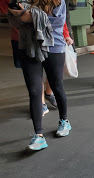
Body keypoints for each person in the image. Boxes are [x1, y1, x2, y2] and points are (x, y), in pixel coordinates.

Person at [8, 0, 72, 151]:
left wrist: (29, 15)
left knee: (57, 86)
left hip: (54, 46)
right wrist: (25, 14)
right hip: (29, 47)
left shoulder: (58, 1)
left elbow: (55, 21)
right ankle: (39, 135)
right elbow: (15, 19)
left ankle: (64, 120)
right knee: (35, 91)